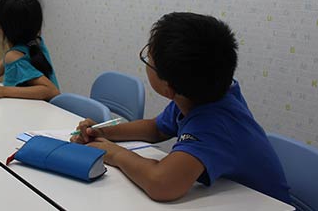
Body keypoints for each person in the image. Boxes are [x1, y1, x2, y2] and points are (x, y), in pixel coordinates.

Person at [71, 13, 290, 203]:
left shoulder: (215, 123)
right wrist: (102, 132)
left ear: (168, 88)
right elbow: (156, 129)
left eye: (149, 59)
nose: (147, 59)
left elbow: (161, 183)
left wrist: (113, 153)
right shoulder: (201, 95)